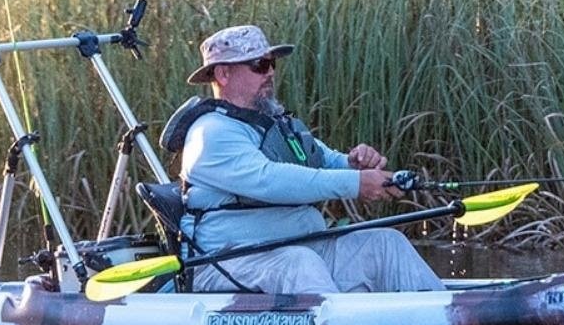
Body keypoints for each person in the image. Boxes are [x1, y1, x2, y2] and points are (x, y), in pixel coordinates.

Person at [176, 24, 445, 295]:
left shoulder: (275, 124)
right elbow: (269, 180)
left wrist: (357, 164)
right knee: (298, 264)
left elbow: (327, 161)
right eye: (259, 64)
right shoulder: (211, 132)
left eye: (271, 63)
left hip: (302, 248)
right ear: (223, 74)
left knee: (386, 244)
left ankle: (450, 321)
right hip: (227, 264)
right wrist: (356, 183)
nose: (270, 72)